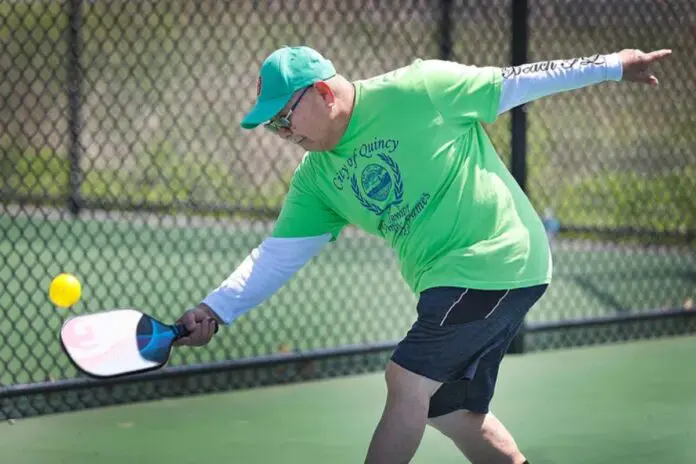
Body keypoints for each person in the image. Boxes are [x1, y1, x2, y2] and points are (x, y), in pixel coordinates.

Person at [174, 45, 672, 464]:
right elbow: (276, 256)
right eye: (273, 127)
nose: (283, 133)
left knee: (406, 380)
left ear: (324, 93)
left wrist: (613, 64)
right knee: (448, 409)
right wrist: (215, 309)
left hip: (497, 257)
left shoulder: (421, 88)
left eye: (285, 118)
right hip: (451, 281)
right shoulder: (316, 179)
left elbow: (517, 81)